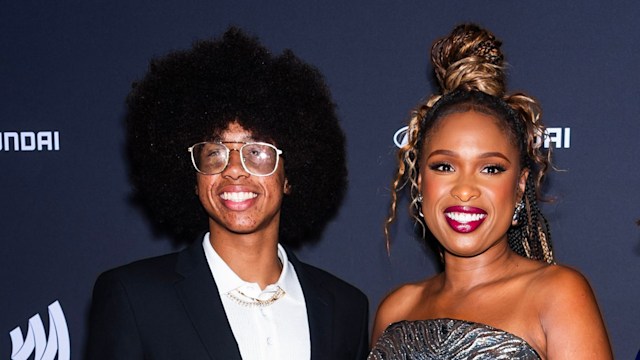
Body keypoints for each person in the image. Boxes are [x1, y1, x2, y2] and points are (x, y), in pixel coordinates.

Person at [86, 27, 369, 360]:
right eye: (215, 153)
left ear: (291, 175)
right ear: (192, 177)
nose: (234, 169)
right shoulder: (134, 297)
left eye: (257, 152)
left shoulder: (345, 308)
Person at [369, 24, 612, 359]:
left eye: (491, 169)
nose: (465, 190)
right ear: (420, 182)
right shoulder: (395, 311)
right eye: (444, 166)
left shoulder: (557, 294)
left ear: (520, 186)